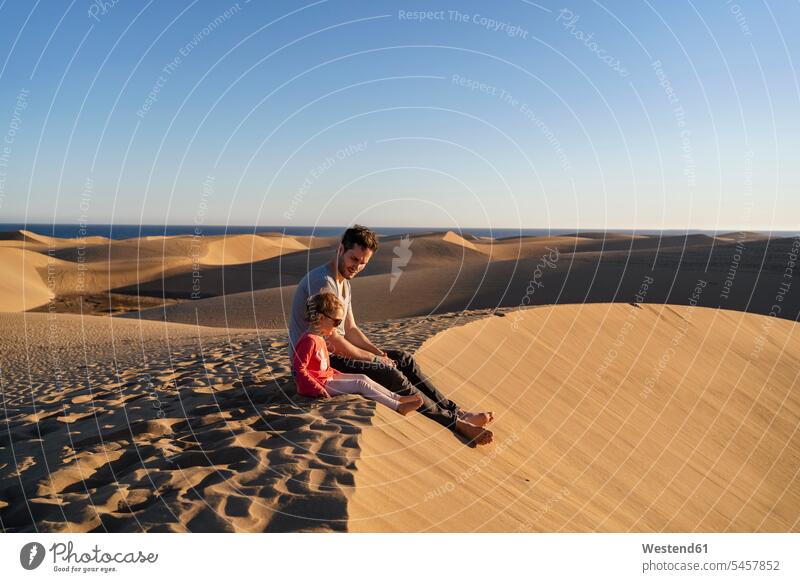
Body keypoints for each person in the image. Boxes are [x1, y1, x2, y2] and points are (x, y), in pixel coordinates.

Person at [288, 225, 494, 445]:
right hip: (317, 361)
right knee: (390, 373)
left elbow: (351, 330)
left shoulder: (344, 283)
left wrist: (379, 352)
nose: (357, 266)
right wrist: (377, 361)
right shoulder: (324, 283)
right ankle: (455, 422)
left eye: (363, 262)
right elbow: (334, 339)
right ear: (340, 250)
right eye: (354, 259)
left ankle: (457, 411)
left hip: (333, 354)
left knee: (402, 360)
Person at [292, 291, 424, 415]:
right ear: (320, 318)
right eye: (336, 321)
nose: (338, 326)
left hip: (325, 378)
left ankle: (397, 398)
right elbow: (298, 369)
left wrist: (339, 375)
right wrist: (317, 389)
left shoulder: (319, 338)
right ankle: (398, 407)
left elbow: (323, 367)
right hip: (318, 386)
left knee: (362, 377)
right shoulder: (309, 340)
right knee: (360, 384)